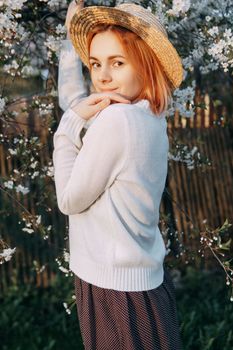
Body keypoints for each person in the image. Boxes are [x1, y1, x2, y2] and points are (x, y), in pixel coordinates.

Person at [53, 0, 184, 349]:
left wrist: (65, 131)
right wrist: (70, 45)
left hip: (114, 291)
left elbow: (68, 200)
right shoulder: (149, 116)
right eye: (95, 63)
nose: (102, 76)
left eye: (118, 63)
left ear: (145, 64)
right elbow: (77, 103)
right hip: (141, 280)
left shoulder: (117, 121)